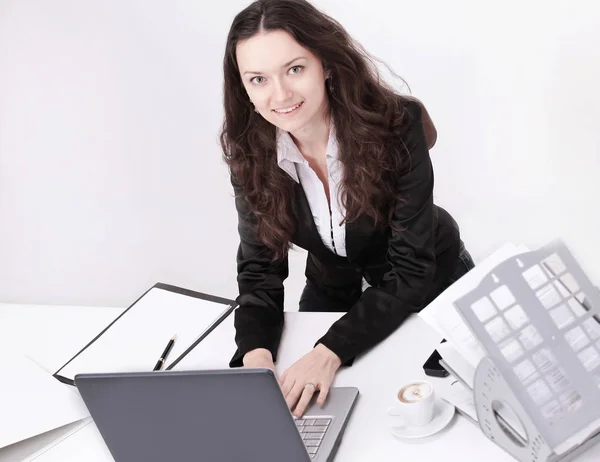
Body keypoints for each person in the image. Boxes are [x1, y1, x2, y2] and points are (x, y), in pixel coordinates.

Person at [219, 0, 474, 418]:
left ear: (327, 64)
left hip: (429, 279)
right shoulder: (251, 153)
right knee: (324, 411)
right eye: (259, 79)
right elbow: (260, 268)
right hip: (334, 286)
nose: (279, 95)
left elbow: (410, 270)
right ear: (244, 87)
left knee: (437, 408)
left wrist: (330, 350)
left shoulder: (395, 124)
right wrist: (255, 359)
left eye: (295, 69)